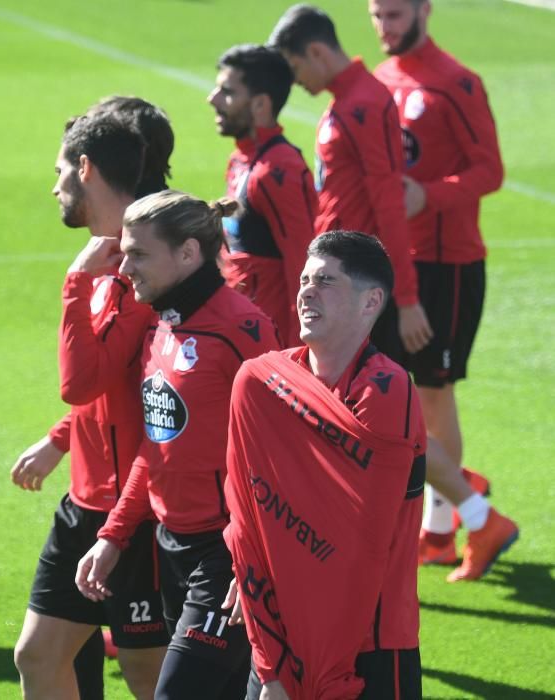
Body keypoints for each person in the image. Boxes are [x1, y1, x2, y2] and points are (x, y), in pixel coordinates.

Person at [75, 190, 280, 699]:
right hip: (173, 547)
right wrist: (114, 535)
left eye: (139, 254)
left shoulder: (243, 330)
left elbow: (284, 454)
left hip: (227, 552)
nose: (125, 266)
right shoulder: (163, 325)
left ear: (188, 253)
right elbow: (159, 445)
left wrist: (250, 556)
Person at [224, 231, 426, 699]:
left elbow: (353, 543)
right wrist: (270, 654)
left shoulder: (386, 390)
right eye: (304, 280)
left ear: (370, 301)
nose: (306, 292)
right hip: (277, 628)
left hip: (368, 642)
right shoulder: (267, 380)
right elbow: (247, 510)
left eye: (327, 282)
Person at [12, 113, 170, 700]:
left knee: (147, 676)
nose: (54, 187)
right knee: (36, 655)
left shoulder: (143, 268)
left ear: (86, 169)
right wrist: (60, 440)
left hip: (140, 516)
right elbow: (105, 386)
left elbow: (82, 384)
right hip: (85, 503)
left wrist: (74, 287)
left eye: (61, 171)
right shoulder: (106, 259)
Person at [369, 0, 518, 581]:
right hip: (393, 262)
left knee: (432, 392)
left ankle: (447, 526)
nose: (386, 27)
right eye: (378, 15)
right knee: (398, 390)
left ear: (425, 10)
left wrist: (427, 195)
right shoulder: (382, 79)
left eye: (396, 15)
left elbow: (491, 171)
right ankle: (450, 514)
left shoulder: (457, 83)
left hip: (447, 264)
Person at [268, 4, 432, 356]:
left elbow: (389, 203)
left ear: (316, 52)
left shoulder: (365, 103)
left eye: (295, 67)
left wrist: (406, 300)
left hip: (356, 281)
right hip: (338, 271)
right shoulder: (345, 100)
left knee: (364, 397)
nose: (295, 81)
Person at [207, 44, 317, 347]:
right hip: (240, 335)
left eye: (227, 92)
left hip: (272, 346)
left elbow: (303, 267)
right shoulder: (242, 159)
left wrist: (300, 356)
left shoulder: (278, 171)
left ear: (260, 105)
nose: (212, 99)